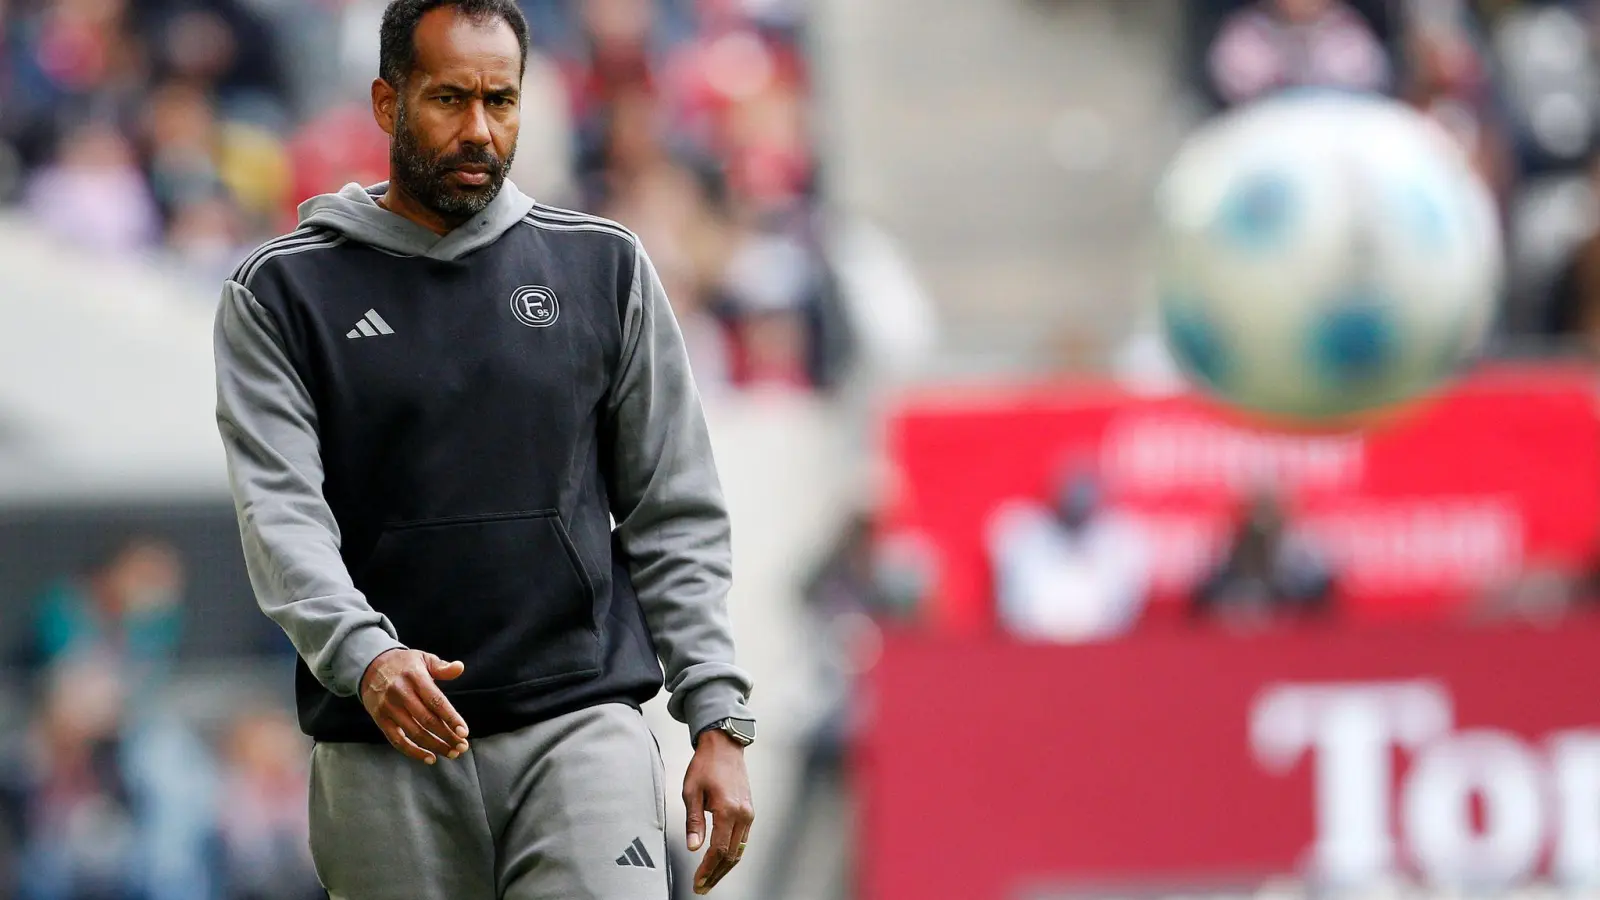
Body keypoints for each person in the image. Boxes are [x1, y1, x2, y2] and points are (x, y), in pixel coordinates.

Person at [211, 0, 756, 897]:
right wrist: (366, 657)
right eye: (449, 99)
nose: (479, 129)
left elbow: (675, 509)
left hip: (582, 725)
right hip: (383, 741)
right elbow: (280, 517)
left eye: (501, 101)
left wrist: (718, 716)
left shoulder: (603, 267)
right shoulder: (281, 293)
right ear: (388, 105)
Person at [987, 466, 1151, 643]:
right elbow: (1013, 607)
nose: (1077, 503)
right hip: (1034, 643)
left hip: (1103, 644)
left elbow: (1123, 608)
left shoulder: (1122, 537)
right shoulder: (1022, 533)